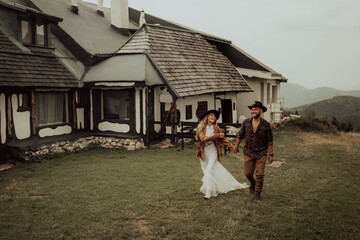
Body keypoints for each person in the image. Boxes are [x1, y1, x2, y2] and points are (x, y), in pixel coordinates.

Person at [196, 110, 249, 199]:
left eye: (214, 116)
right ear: (207, 117)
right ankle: (215, 187)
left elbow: (224, 140)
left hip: (213, 152)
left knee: (209, 171)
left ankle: (208, 192)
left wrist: (233, 148)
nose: (213, 117)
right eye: (211, 115)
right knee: (207, 171)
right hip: (203, 153)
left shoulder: (216, 129)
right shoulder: (201, 128)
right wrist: (217, 136)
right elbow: (203, 139)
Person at [233, 101, 274, 202]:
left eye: (255, 109)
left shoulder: (266, 125)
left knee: (260, 174)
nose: (253, 111)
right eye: (252, 109)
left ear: (261, 110)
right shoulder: (246, 122)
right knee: (248, 174)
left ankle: (257, 194)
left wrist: (271, 154)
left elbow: (270, 141)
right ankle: (253, 182)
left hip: (262, 152)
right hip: (248, 152)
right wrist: (236, 146)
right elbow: (240, 135)